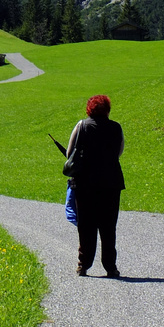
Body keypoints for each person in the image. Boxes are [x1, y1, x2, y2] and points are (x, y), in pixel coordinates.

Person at [66, 94, 125, 278]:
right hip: (111, 184)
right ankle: (110, 267)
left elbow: (69, 153)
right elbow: (119, 152)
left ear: (89, 109)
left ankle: (83, 265)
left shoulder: (81, 126)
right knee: (108, 227)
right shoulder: (116, 128)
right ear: (107, 110)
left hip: (85, 184)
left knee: (86, 226)